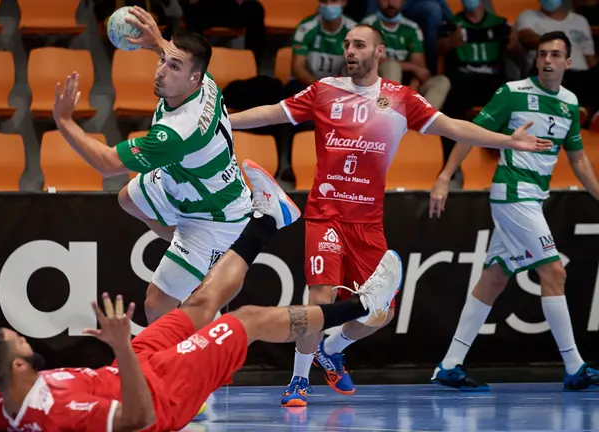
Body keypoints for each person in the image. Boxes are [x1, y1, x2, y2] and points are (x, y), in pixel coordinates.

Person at [226, 23, 553, 407]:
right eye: (347, 44)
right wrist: (226, 121)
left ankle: (331, 348)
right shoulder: (326, 90)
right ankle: (299, 380)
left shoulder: (401, 98)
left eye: (359, 45)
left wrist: (507, 140)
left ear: (379, 52)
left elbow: (454, 127)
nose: (350, 51)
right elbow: (273, 113)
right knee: (321, 296)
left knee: (381, 311)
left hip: (368, 221)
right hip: (326, 213)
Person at [0, 160, 404, 432]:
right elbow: (138, 419)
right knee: (246, 320)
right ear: (17, 366)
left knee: (197, 303)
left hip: (130, 366)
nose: (24, 338)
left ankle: (268, 217)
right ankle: (364, 304)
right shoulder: (56, 415)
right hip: (162, 395)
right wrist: (123, 348)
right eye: (17, 341)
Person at [53, 7, 252, 325]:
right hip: (188, 181)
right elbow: (178, 58)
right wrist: (157, 42)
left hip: (213, 215)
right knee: (128, 199)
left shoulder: (178, 132)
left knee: (156, 306)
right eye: (162, 61)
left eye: (173, 67)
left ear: (193, 77)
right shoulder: (205, 82)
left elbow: (107, 164)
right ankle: (193, 256)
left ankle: (203, 268)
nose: (161, 72)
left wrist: (64, 121)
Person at [429, 31, 599, 391]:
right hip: (513, 193)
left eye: (555, 55)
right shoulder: (513, 92)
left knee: (494, 278)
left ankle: (449, 365)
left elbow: (579, 158)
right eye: (542, 54)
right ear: (536, 60)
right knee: (553, 271)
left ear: (569, 62)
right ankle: (575, 367)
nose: (547, 60)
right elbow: (470, 132)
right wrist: (444, 177)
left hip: (534, 197)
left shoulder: (570, 102)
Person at [437, 0, 519, 184]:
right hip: (463, 81)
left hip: (492, 81)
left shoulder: (500, 24)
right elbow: (439, 48)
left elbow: (514, 50)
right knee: (450, 105)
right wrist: (450, 42)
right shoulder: (451, 23)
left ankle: (511, 167)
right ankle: (452, 169)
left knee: (513, 100)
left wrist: (514, 46)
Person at [362, 0, 451, 112]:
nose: (391, 3)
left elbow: (420, 68)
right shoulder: (368, 25)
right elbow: (373, 61)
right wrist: (412, 67)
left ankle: (420, 120)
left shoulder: (412, 27)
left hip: (407, 86)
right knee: (391, 66)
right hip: (376, 86)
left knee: (441, 81)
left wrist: (412, 87)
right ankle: (389, 114)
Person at [287, 0, 358, 95]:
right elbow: (297, 69)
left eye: (333, 1)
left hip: (341, 88)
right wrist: (321, 87)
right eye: (324, 1)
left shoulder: (354, 31)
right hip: (308, 85)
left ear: (344, 2)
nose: (328, 5)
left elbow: (358, 70)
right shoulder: (306, 27)